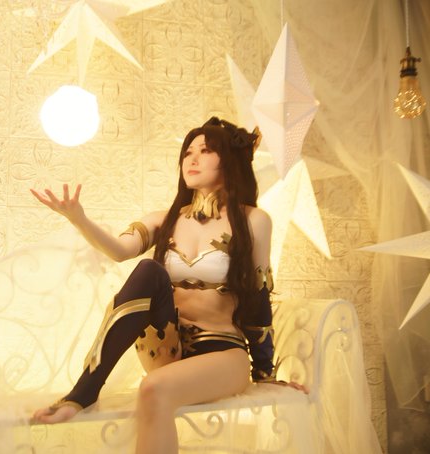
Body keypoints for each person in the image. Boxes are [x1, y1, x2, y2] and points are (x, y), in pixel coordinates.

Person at [30, 116, 297, 454]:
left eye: (205, 151)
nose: (192, 159)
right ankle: (83, 393)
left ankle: (83, 396)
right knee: (148, 270)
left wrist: (265, 374)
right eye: (188, 152)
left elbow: (259, 297)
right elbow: (119, 250)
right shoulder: (164, 219)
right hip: (165, 347)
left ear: (230, 160)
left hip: (222, 353)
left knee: (153, 390)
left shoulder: (253, 220)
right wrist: (79, 219)